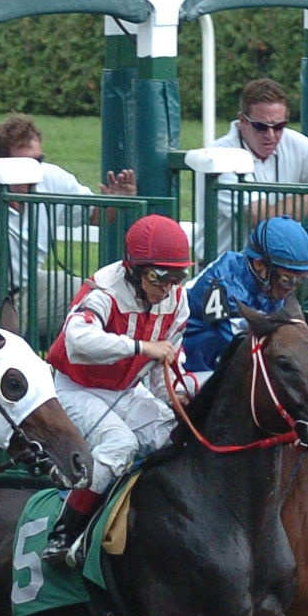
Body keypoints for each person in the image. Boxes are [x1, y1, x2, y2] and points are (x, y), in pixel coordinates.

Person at [43, 214, 193, 565]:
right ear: (133, 269)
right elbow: (77, 341)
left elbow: (161, 370)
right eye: (159, 275)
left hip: (126, 388)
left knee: (176, 438)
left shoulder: (178, 302)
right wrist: (139, 347)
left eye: (178, 275)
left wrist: (174, 400)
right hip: (75, 387)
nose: (167, 286)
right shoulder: (103, 290)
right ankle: (64, 535)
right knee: (121, 444)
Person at [201, 79, 308, 353]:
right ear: (242, 121)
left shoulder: (293, 143)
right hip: (230, 278)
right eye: (261, 126)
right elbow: (264, 221)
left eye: (279, 126)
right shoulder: (221, 155)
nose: (271, 135)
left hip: (279, 274)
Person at [0, 113, 136, 332]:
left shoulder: (51, 177)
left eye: (38, 161)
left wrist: (120, 200)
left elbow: (97, 216)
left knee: (104, 298)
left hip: (32, 289)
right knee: (6, 356)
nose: (35, 171)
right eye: (24, 163)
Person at [182, 216, 308, 384]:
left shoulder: (269, 282)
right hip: (190, 372)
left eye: (300, 280)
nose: (292, 288)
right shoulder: (224, 287)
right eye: (287, 280)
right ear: (259, 265)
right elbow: (252, 354)